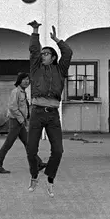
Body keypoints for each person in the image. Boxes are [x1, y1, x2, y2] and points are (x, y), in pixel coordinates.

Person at [26, 21, 73, 198]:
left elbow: (68, 53)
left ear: (53, 57)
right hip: (37, 112)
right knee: (31, 149)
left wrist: (57, 41)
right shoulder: (35, 69)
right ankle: (33, 175)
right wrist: (35, 31)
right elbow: (33, 50)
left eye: (46, 54)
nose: (43, 55)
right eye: (42, 53)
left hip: (53, 114)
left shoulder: (60, 70)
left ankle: (50, 179)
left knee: (58, 150)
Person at [0, 72, 46, 174]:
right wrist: (21, 119)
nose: (26, 81)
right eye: (24, 79)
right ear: (19, 81)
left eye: (28, 79)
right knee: (8, 144)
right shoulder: (15, 92)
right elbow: (12, 107)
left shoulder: (23, 92)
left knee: (28, 143)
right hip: (15, 121)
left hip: (20, 122)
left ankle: (38, 163)